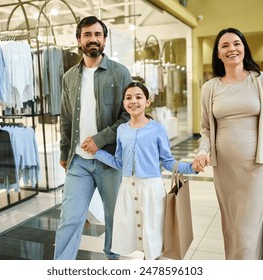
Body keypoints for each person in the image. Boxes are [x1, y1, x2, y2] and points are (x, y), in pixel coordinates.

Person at [192, 28, 263, 260]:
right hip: (224, 172)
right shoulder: (210, 88)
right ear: (218, 54)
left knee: (246, 235)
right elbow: (206, 129)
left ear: (244, 47)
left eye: (236, 43)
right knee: (233, 230)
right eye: (224, 46)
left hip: (256, 169)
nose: (232, 49)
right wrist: (202, 152)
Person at [90, 82, 202, 260]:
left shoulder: (157, 129)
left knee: (153, 239)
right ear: (123, 103)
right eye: (128, 98)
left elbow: (167, 161)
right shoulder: (121, 130)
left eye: (138, 97)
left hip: (152, 191)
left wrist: (192, 168)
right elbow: (119, 162)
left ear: (147, 102)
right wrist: (98, 153)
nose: (133, 101)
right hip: (127, 190)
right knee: (133, 235)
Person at [53, 16, 133, 260]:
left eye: (98, 34)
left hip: (110, 160)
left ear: (105, 40)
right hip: (78, 161)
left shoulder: (120, 73)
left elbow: (130, 115)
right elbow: (66, 118)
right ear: (79, 40)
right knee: (70, 218)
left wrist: (101, 138)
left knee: (113, 217)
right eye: (87, 34)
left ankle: (112, 261)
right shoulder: (69, 77)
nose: (93, 39)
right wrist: (64, 151)